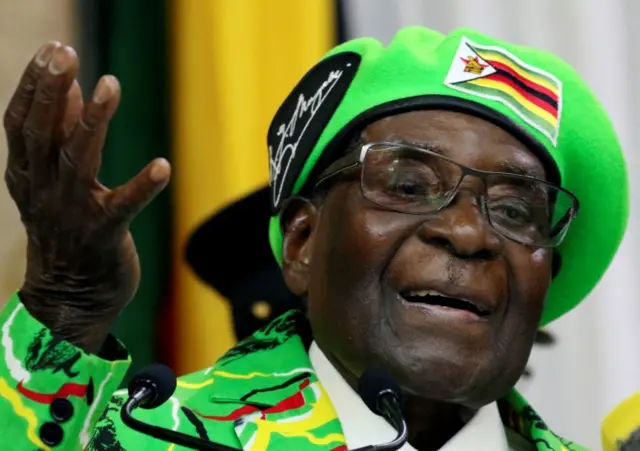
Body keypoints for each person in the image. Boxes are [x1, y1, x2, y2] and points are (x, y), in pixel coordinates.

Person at [0, 26, 627, 451]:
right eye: (408, 186)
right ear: (301, 240)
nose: (466, 233)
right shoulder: (142, 437)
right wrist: (65, 306)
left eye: (516, 211)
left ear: (546, 278)